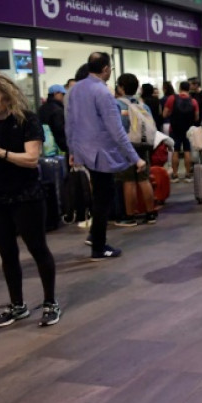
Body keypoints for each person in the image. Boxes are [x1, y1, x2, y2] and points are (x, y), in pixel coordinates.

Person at [0, 72, 60, 327]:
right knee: (6, 252)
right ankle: (18, 304)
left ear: (7, 93)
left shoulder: (27, 120)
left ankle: (50, 302)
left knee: (37, 248)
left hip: (25, 193)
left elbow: (31, 159)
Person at [67, 51, 146, 260]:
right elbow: (116, 130)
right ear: (105, 69)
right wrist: (135, 158)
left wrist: (72, 151)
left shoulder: (75, 90)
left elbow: (70, 123)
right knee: (103, 198)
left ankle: (95, 236)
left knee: (99, 195)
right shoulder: (103, 93)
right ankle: (99, 247)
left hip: (84, 150)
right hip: (101, 153)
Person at [114, 73, 159, 225]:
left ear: (120, 87)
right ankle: (150, 213)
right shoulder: (143, 105)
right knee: (144, 179)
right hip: (143, 146)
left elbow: (116, 128)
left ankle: (129, 216)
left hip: (125, 147)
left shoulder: (117, 105)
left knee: (129, 181)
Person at [163, 81, 199, 182]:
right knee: (187, 151)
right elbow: (196, 118)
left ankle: (175, 175)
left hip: (174, 129)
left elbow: (164, 114)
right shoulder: (193, 101)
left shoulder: (172, 98)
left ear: (179, 88)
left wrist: (172, 114)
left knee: (175, 151)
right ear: (189, 89)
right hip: (188, 130)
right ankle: (188, 175)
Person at [38, 85, 67, 154]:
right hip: (58, 147)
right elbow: (60, 129)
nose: (64, 96)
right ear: (56, 94)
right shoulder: (58, 110)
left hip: (45, 146)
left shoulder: (42, 108)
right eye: (62, 94)